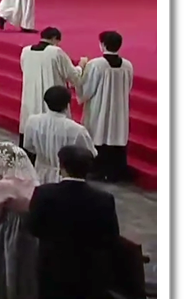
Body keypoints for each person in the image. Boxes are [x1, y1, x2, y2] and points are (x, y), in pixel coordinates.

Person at [28, 145, 120, 299]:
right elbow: (111, 237)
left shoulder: (44, 193)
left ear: (62, 167)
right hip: (89, 270)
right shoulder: (104, 199)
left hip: (52, 265)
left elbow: (33, 228)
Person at [0, 142, 40, 299]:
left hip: (6, 228)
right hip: (28, 229)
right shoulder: (33, 181)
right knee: (23, 265)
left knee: (1, 262)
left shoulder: (4, 185)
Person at [76, 30, 134, 182]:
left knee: (98, 133)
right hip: (119, 108)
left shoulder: (95, 65)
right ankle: (116, 172)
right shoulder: (127, 65)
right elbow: (128, 87)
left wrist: (80, 72)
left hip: (99, 107)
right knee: (116, 134)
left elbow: (86, 89)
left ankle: (97, 170)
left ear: (102, 44)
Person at [18, 28, 84, 145]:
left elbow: (24, 69)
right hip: (53, 97)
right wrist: (81, 66)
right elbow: (72, 75)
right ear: (54, 39)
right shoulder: (56, 52)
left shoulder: (26, 51)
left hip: (31, 95)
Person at [24, 86, 96, 183]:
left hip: (39, 173)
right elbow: (90, 153)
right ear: (68, 104)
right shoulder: (77, 129)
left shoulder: (32, 121)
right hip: (67, 176)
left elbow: (28, 146)